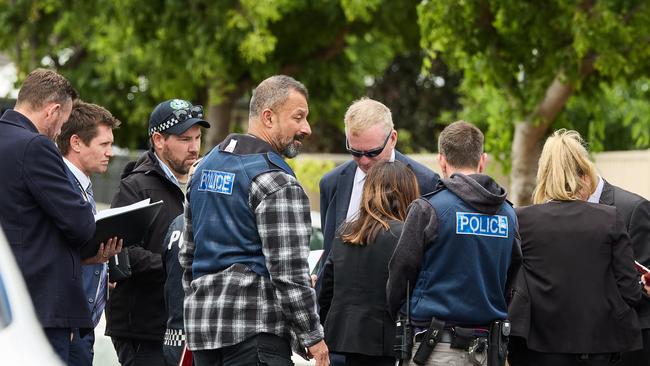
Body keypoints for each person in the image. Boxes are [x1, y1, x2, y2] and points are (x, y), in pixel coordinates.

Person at [179, 75, 329, 366]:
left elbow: (187, 256)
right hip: (256, 335)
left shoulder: (202, 169)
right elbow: (288, 272)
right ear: (268, 117)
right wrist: (313, 337)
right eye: (298, 117)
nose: (306, 128)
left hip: (203, 334)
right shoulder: (275, 180)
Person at [387, 120, 521, 366]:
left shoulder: (428, 208)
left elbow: (400, 275)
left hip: (434, 348)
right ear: (483, 160)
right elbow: (512, 276)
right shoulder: (508, 215)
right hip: (487, 350)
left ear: (442, 161)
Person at [508, 129, 644, 366]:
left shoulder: (521, 220)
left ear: (544, 174)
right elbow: (630, 293)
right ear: (584, 172)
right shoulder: (609, 218)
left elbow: (510, 283)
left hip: (537, 351)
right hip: (597, 350)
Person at [0, 68, 96, 362]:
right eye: (63, 123)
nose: (58, 132)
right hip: (43, 306)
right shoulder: (35, 146)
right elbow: (80, 223)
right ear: (53, 111)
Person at [107, 98, 210, 365]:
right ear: (158, 139)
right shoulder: (136, 186)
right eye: (185, 139)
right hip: (144, 330)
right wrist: (178, 264)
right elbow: (120, 252)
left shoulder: (202, 183)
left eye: (197, 138)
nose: (194, 147)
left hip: (189, 328)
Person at [318, 160, 419, 366]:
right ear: (408, 192)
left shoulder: (345, 232)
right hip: (385, 342)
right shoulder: (405, 235)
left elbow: (326, 288)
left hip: (342, 339)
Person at [319, 97, 439, 262]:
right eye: (355, 152)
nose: (364, 161)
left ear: (393, 139)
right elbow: (328, 253)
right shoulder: (331, 183)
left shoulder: (425, 182)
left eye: (372, 152)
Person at [56, 100, 123, 366]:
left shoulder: (83, 183)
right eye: (103, 144)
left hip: (81, 325)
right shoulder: (60, 185)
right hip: (65, 326)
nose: (110, 152)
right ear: (76, 143)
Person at [588, 177, 650, 365]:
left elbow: (644, 281)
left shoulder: (634, 209)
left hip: (628, 346)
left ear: (583, 177)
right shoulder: (562, 213)